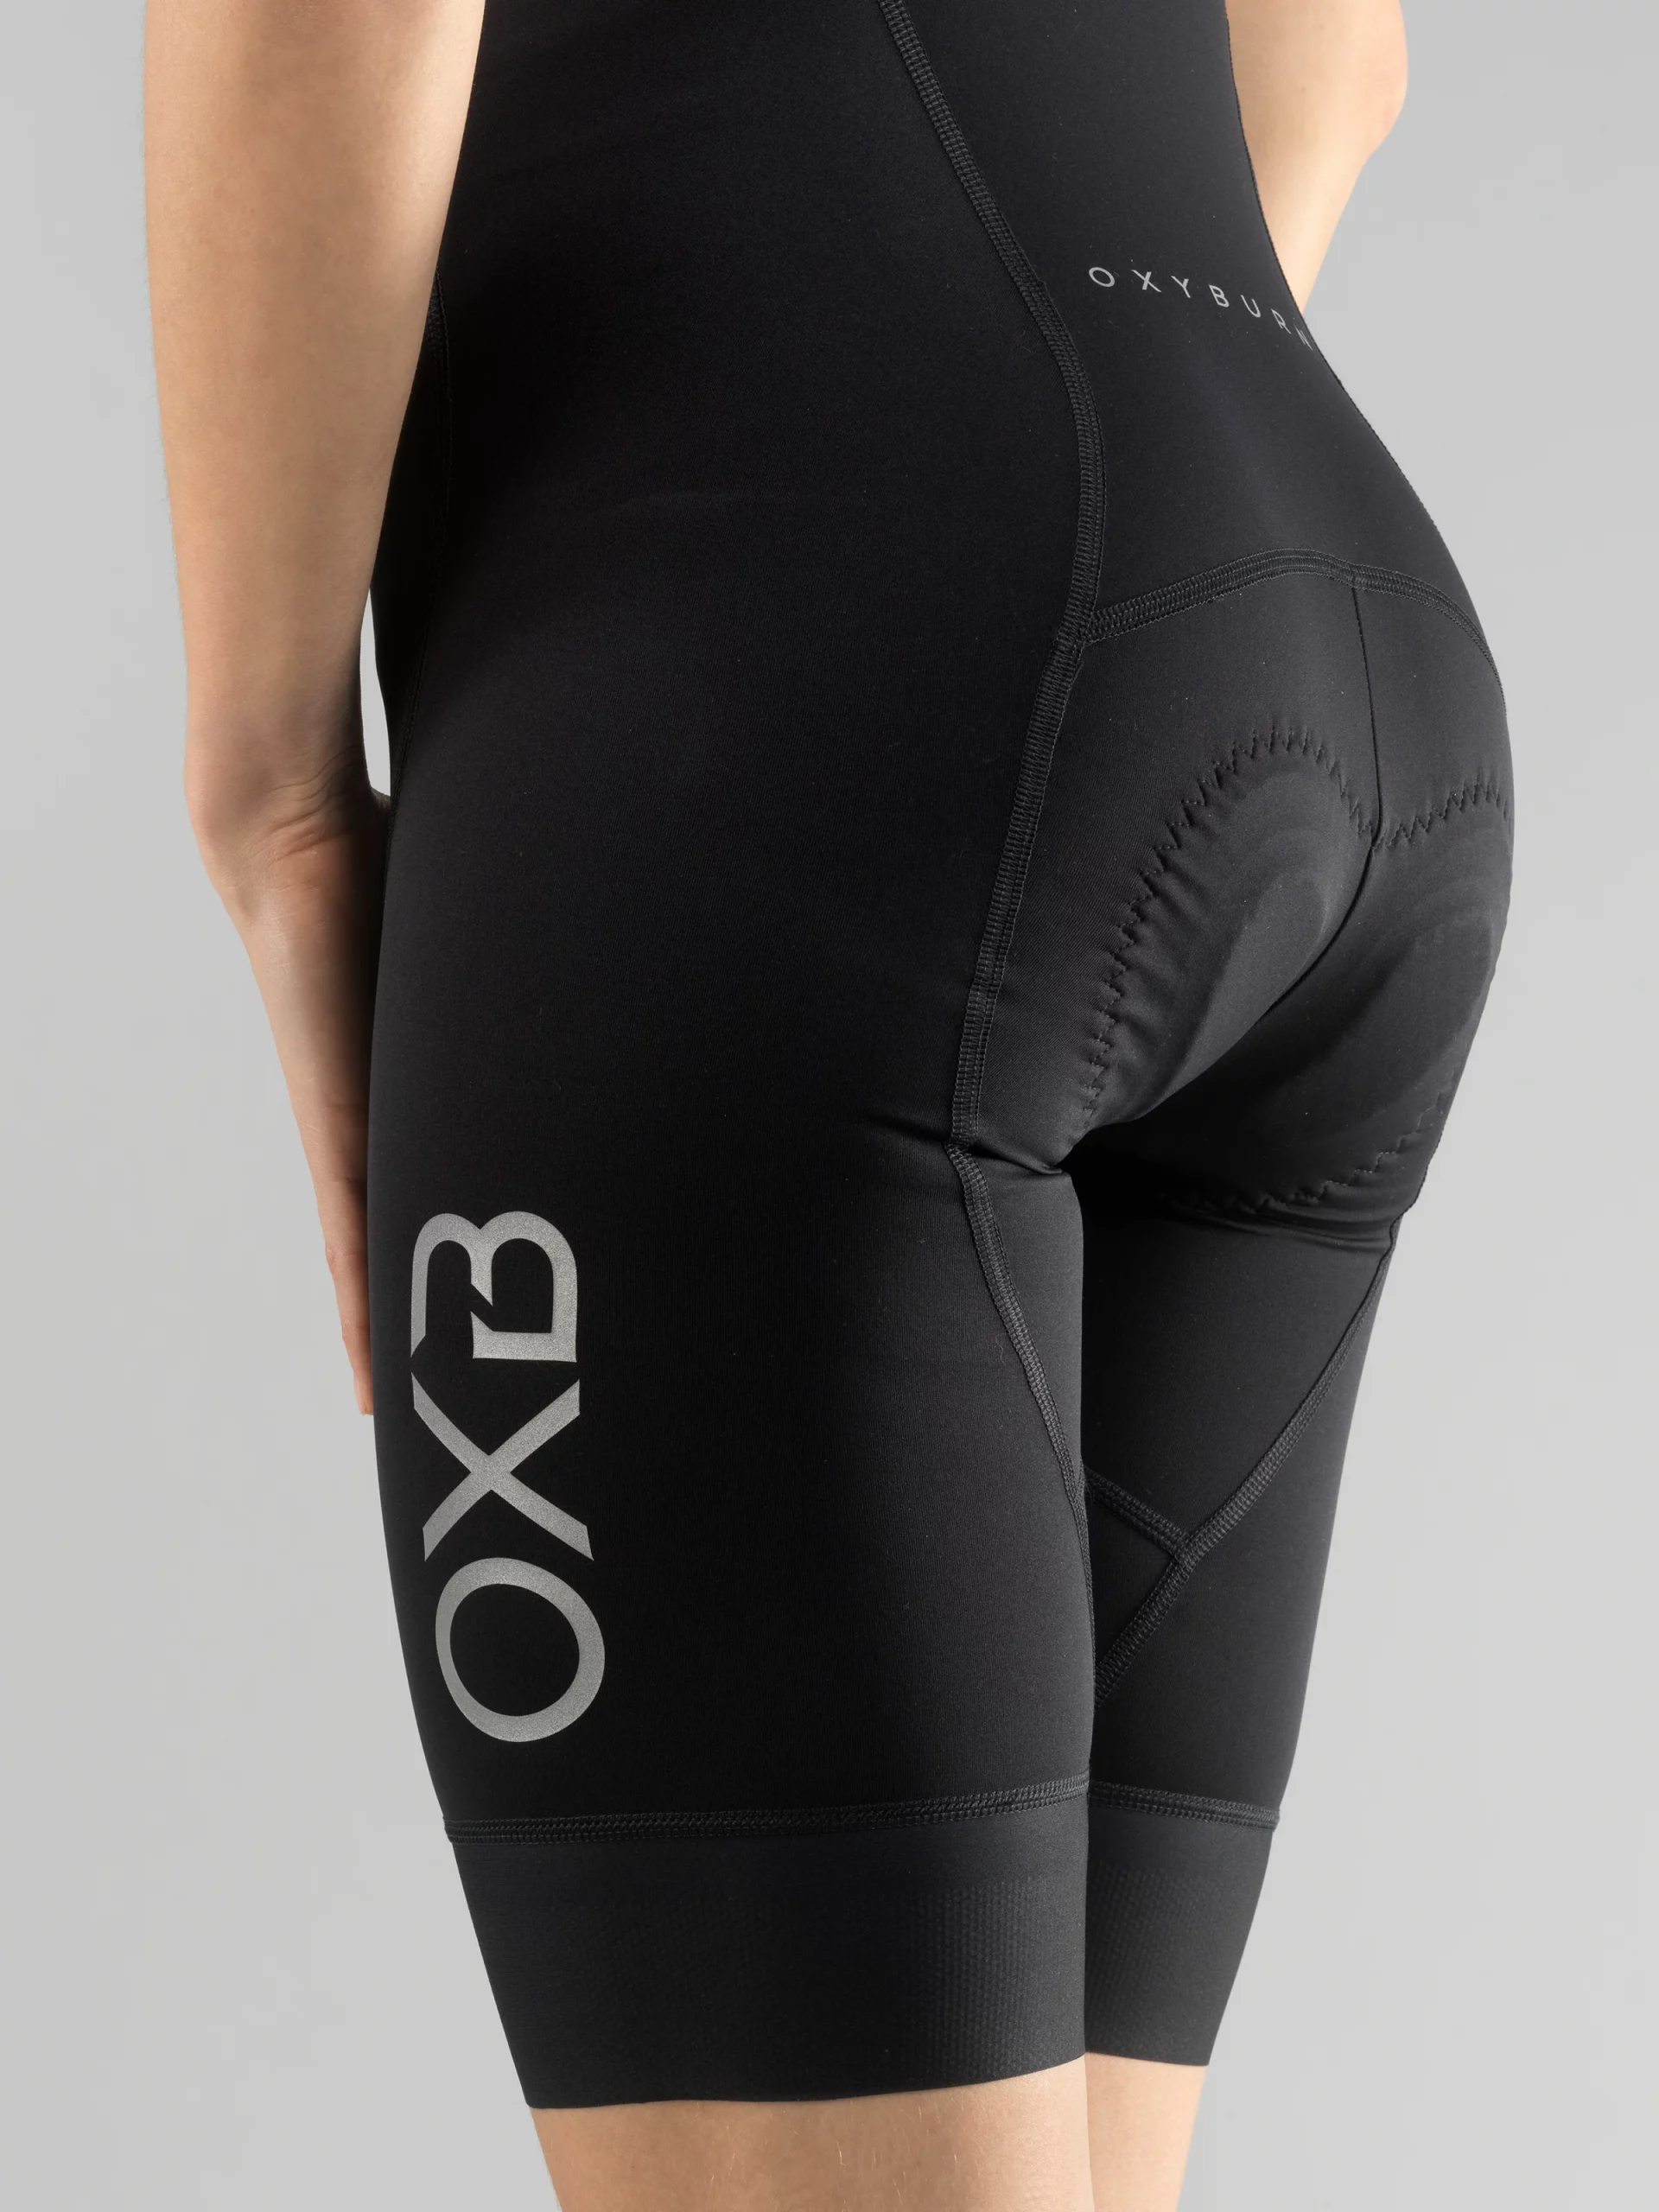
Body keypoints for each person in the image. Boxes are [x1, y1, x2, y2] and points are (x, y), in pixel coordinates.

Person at [146, 3, 1511, 2206]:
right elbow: (1342, 56)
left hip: (778, 682)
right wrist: (1098, 524)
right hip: (1324, 618)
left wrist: (274, 792)